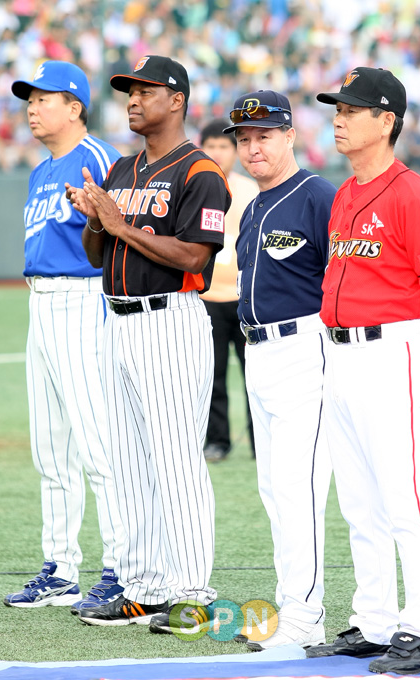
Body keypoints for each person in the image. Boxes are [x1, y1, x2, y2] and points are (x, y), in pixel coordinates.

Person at [65, 55, 231, 632]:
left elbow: (194, 256)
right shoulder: (121, 170)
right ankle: (143, 589)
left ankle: (192, 594)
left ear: (176, 100)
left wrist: (119, 225)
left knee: (175, 462)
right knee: (130, 462)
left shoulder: (199, 171)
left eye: (145, 90)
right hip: (119, 322)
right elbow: (99, 255)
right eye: (128, 91)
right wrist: (94, 219)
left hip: (171, 322)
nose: (133, 99)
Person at [307, 67, 420, 674]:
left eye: (351, 108)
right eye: (336, 108)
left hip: (392, 351)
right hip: (340, 354)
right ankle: (374, 622)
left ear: (386, 120)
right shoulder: (345, 192)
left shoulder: (413, 193)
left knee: (403, 500)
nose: (338, 118)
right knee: (359, 502)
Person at [5, 61, 125, 612]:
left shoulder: (97, 158)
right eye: (28, 99)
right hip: (40, 304)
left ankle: (123, 569)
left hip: (83, 299)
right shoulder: (39, 171)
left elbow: (122, 236)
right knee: (50, 449)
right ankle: (60, 570)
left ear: (74, 106)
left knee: (100, 445)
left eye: (43, 98)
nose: (32, 107)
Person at [223, 90, 336, 650]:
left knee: (299, 489)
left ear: (291, 135)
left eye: (264, 135)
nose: (253, 147)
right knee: (274, 488)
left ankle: (305, 617)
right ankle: (294, 605)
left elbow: (345, 280)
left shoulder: (317, 195)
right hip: (260, 353)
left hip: (305, 348)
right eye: (243, 139)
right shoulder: (254, 205)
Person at [199, 119, 258, 462]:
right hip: (206, 298)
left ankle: (259, 442)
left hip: (243, 298)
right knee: (213, 376)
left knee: (255, 375)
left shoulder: (250, 189)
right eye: (211, 145)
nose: (217, 152)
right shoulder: (193, 186)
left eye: (224, 146)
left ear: (235, 151)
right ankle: (217, 441)